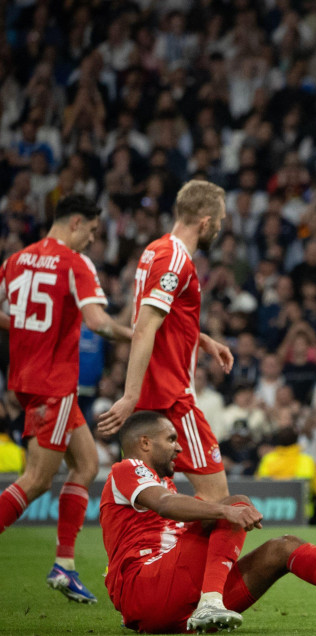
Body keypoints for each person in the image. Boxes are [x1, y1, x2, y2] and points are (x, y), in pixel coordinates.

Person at [100, 410, 316, 633]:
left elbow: (172, 517)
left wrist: (217, 514)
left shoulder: (161, 483)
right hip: (146, 587)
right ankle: (210, 602)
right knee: (234, 504)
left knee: (282, 549)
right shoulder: (127, 468)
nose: (178, 447)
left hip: (173, 609)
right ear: (145, 443)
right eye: (171, 439)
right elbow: (166, 505)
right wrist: (224, 511)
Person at [0, 194, 133, 604]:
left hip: (28, 379)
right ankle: (62, 565)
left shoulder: (16, 260)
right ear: (75, 222)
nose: (92, 240)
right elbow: (98, 323)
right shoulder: (75, 263)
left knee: (87, 464)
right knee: (37, 479)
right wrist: (139, 337)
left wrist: (25, 329)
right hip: (53, 385)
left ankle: (64, 565)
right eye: (91, 231)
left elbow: (9, 314)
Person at [98, 180, 235, 502]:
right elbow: (144, 328)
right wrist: (130, 395)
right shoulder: (175, 261)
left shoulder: (155, 251)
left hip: (153, 394)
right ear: (205, 221)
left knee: (146, 500)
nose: (219, 227)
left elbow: (162, 319)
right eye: (220, 220)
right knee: (217, 498)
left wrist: (201, 339)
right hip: (170, 396)